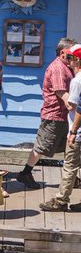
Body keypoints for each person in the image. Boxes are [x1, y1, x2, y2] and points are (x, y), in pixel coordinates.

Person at [15, 37, 76, 190]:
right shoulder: (58, 68)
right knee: (42, 147)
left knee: (70, 147)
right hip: (54, 115)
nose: (75, 57)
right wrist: (75, 107)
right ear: (63, 53)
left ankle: (71, 177)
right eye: (72, 53)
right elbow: (62, 93)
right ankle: (25, 173)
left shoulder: (67, 67)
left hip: (64, 116)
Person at [42, 44, 81, 212]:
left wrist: (72, 132)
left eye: (70, 57)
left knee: (70, 166)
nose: (68, 60)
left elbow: (76, 107)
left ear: (77, 60)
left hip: (78, 132)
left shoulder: (77, 81)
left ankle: (61, 200)